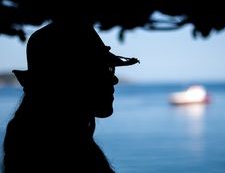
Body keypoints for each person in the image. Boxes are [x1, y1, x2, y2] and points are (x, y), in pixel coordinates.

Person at [3, 14, 139, 173]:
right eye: (98, 70)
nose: (114, 79)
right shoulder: (66, 153)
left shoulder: (28, 142)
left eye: (109, 68)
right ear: (66, 78)